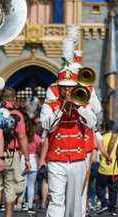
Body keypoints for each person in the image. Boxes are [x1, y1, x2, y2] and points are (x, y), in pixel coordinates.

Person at [39, 67, 98, 217]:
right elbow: (47, 126)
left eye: (70, 87)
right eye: (64, 87)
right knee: (56, 200)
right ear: (58, 88)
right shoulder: (49, 106)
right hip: (56, 160)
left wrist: (78, 107)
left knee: (75, 201)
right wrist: (61, 107)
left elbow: (91, 123)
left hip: (78, 159)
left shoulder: (83, 104)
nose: (67, 91)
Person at [0, 88, 29, 217]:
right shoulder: (17, 114)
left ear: (1, 98)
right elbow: (21, 137)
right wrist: (27, 159)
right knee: (11, 187)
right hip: (12, 154)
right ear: (14, 98)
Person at [95, 120, 118, 214]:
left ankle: (104, 203)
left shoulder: (102, 138)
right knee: (113, 189)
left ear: (105, 128)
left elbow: (99, 153)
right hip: (115, 169)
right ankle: (113, 208)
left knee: (99, 187)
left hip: (103, 168)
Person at [24, 116, 41, 215]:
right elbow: (40, 147)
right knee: (31, 185)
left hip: (24, 158)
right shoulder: (36, 137)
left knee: (23, 183)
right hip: (34, 159)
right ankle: (30, 205)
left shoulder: (23, 135)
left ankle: (21, 202)